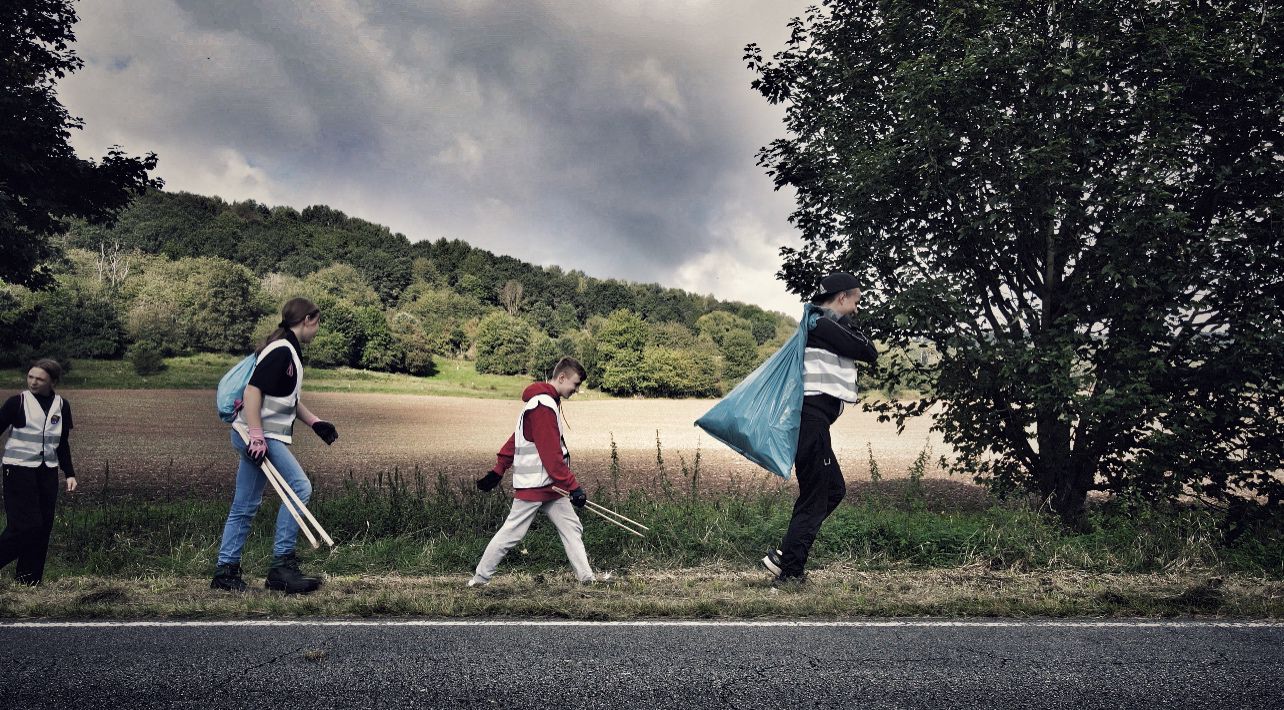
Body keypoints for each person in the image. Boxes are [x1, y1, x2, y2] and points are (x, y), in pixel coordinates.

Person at [211, 297, 339, 595]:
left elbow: (285, 399)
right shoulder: (282, 351)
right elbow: (253, 391)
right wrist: (257, 436)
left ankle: (225, 572)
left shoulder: (287, 350)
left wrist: (315, 423)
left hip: (256, 434)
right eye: (317, 323)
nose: (317, 329)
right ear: (307, 320)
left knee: (245, 505)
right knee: (300, 487)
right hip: (259, 436)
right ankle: (282, 566)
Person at [762, 272, 878, 584]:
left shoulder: (819, 324)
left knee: (834, 490)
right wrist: (851, 327)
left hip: (813, 424)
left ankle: (786, 557)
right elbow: (868, 351)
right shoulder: (821, 324)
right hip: (811, 423)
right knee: (817, 496)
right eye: (855, 302)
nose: (856, 309)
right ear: (842, 297)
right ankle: (790, 572)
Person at [469, 357, 608, 586]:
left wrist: (499, 469)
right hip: (535, 485)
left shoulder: (543, 402)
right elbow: (551, 456)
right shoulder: (543, 406)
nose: (576, 390)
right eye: (575, 384)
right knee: (511, 534)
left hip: (551, 487)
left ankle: (587, 579)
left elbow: (516, 440)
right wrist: (574, 487)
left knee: (572, 527)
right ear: (561, 378)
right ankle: (479, 579)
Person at [0, 359, 78, 585]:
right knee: (25, 527)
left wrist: (69, 473)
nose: (33, 382)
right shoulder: (17, 402)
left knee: (43, 527)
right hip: (18, 470)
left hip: (47, 473)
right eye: (30, 377)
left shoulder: (62, 406)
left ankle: (28, 583)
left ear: (52, 382)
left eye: (40, 379)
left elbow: (62, 442)